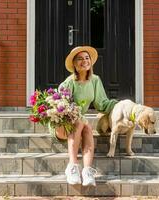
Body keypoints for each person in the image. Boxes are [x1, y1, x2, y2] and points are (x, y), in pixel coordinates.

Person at [50, 46, 117, 186]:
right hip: (62, 125)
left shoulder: (95, 80)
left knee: (86, 127)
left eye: (87, 58)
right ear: (74, 64)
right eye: (80, 59)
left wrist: (120, 105)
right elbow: (57, 104)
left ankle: (87, 171)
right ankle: (72, 166)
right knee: (80, 121)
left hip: (79, 124)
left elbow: (101, 104)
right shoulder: (69, 82)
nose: (84, 61)